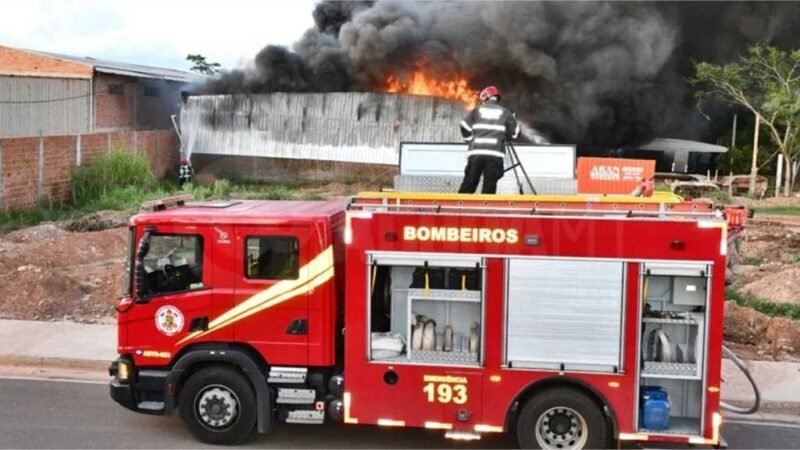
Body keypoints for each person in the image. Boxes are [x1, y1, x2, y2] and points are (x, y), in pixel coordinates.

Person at [458, 86, 520, 194]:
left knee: (469, 183)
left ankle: (459, 208)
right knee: (489, 186)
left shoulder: (477, 110)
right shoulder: (505, 112)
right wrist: (512, 120)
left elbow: (464, 125)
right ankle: (485, 209)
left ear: (485, 97)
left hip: (476, 153)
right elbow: (515, 134)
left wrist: (469, 140)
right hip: (494, 154)